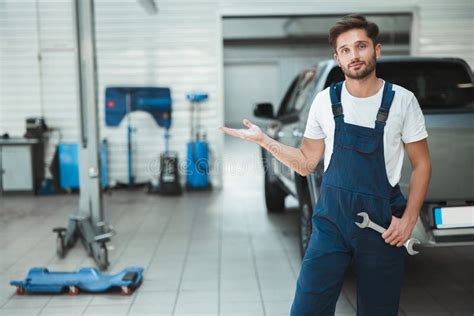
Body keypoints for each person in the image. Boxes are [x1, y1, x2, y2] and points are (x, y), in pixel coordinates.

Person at [219, 14, 432, 316]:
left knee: (378, 310)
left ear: (377, 50)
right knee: (307, 308)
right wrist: (264, 140)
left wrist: (409, 219)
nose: (354, 55)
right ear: (337, 58)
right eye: (345, 50)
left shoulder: (402, 101)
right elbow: (306, 163)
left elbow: (422, 164)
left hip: (382, 225)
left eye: (361, 46)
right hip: (332, 220)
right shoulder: (324, 101)